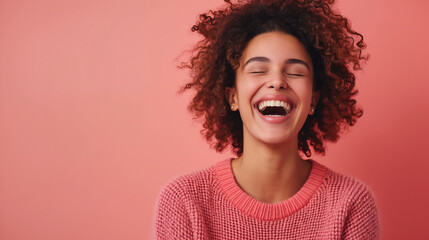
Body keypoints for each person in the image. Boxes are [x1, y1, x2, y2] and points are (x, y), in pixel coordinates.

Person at [152, 0, 380, 239]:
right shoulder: (184, 201)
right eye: (258, 69)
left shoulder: (351, 203)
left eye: (295, 72)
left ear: (313, 100)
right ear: (233, 97)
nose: (277, 81)